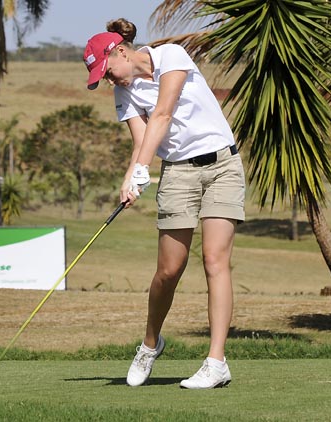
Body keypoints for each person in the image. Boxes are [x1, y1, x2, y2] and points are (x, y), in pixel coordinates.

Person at [83, 18, 245, 389]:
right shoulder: (123, 94)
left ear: (121, 52)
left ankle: (216, 361)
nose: (109, 81)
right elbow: (143, 141)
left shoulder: (172, 56)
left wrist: (140, 168)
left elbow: (163, 114)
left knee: (215, 260)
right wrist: (132, 177)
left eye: (107, 73)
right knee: (169, 270)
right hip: (178, 173)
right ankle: (150, 343)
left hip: (223, 165)